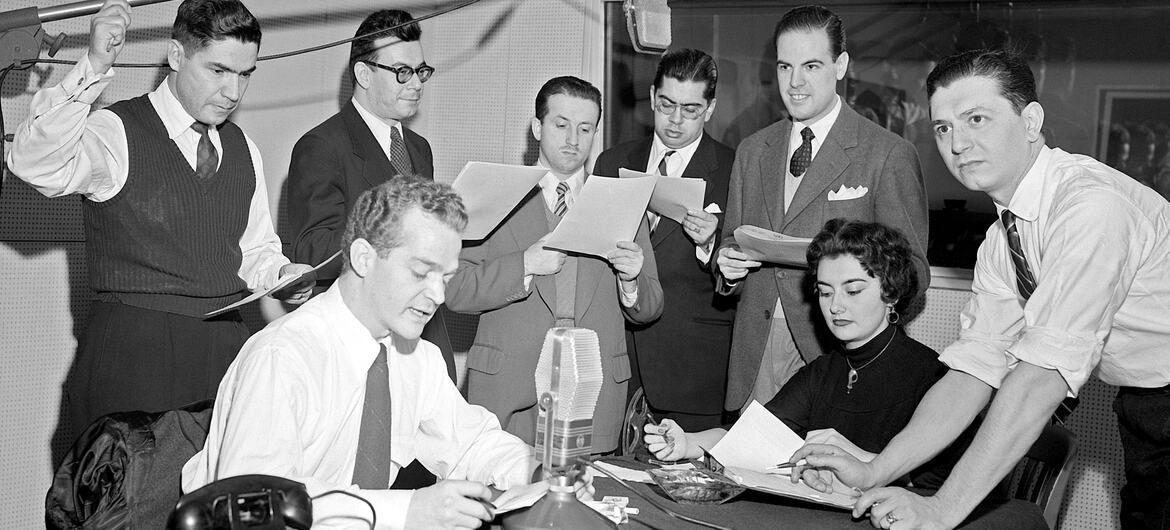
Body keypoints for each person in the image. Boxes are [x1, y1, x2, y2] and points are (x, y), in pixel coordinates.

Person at [792, 49, 1170, 530]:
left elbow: (1041, 377)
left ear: (1030, 121)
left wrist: (942, 509)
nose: (957, 143)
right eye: (943, 128)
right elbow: (973, 372)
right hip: (1144, 400)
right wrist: (875, 470)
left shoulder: (1091, 208)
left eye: (976, 119)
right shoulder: (1002, 239)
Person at [5, 0, 313, 436]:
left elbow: (253, 250)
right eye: (218, 70)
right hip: (135, 355)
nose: (233, 92)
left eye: (245, 74)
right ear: (176, 56)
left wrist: (281, 274)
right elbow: (34, 162)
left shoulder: (244, 148)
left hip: (226, 350)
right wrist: (94, 66)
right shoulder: (116, 129)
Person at [184, 178, 542, 530]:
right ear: (363, 258)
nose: (438, 295)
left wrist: (543, 472)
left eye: (445, 277)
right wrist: (405, 511)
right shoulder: (282, 356)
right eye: (421, 272)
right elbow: (249, 506)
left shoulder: (418, 358)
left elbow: (473, 443)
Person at [714, 5, 930, 415]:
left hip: (840, 352)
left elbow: (914, 271)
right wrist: (727, 266)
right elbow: (730, 242)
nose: (795, 82)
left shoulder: (887, 153)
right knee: (751, 455)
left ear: (840, 65)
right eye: (785, 67)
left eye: (811, 66)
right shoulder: (752, 151)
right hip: (756, 348)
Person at [647, 219, 957, 489]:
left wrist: (865, 462)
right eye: (825, 291)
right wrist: (687, 443)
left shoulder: (933, 376)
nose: (835, 306)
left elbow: (954, 482)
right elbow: (749, 435)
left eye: (852, 291)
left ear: (891, 292)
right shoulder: (823, 371)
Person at [445, 76, 663, 453]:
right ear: (537, 127)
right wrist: (524, 265)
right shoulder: (494, 192)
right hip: (507, 392)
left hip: (592, 393)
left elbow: (652, 306)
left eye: (585, 128)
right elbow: (455, 290)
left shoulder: (622, 202)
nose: (573, 139)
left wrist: (631, 282)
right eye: (561, 125)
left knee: (583, 491)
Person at [286, 9, 459, 382]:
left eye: (421, 71)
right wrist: (396, 235)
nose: (416, 83)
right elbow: (311, 251)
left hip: (422, 335)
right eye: (402, 72)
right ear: (364, 74)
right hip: (358, 340)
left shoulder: (419, 148)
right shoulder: (321, 146)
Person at [593, 48, 736, 431]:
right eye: (667, 104)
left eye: (690, 109)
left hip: (694, 370)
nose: (675, 120)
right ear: (653, 96)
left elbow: (745, 277)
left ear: (710, 109)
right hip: (618, 362)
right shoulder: (611, 162)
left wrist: (711, 244)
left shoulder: (734, 169)